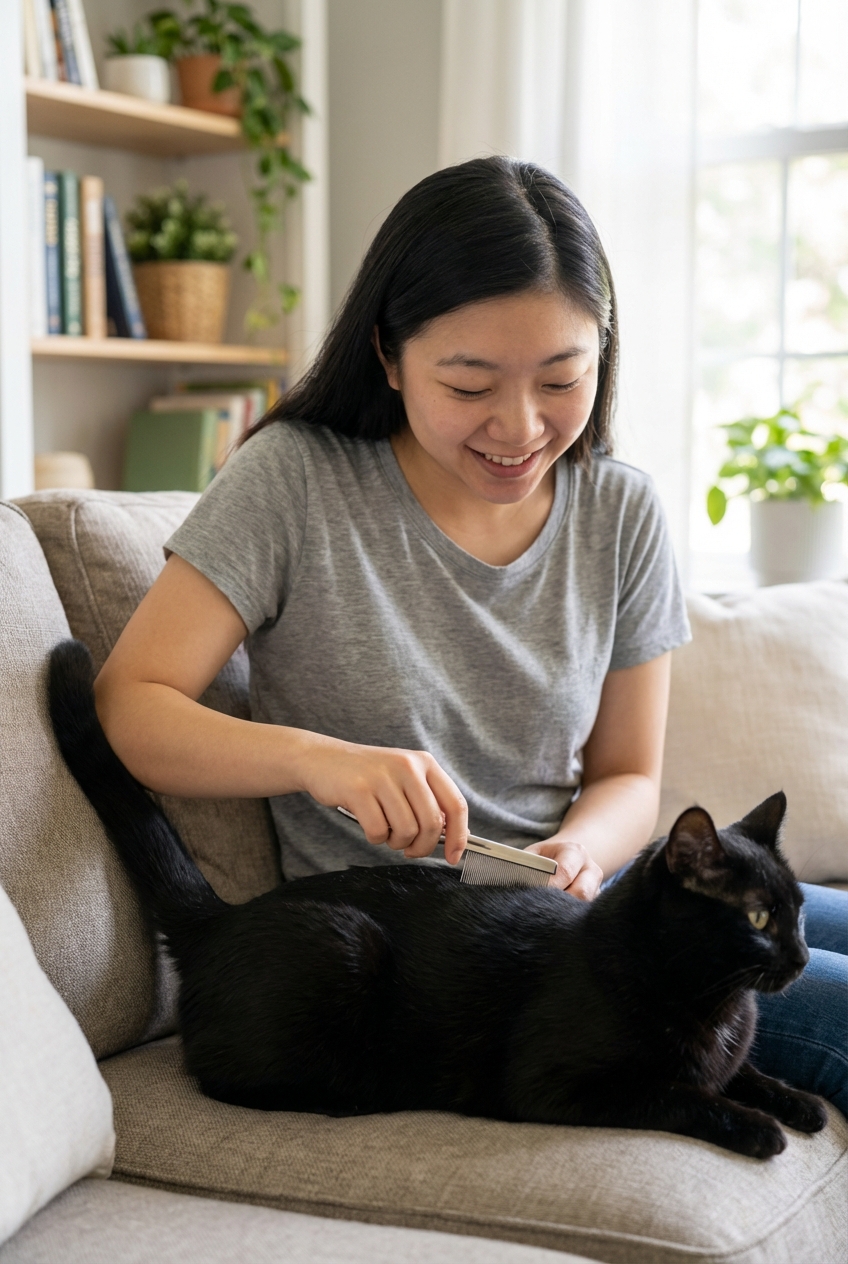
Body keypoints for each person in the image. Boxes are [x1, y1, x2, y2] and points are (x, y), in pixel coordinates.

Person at [95, 157, 846, 1116]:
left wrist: (581, 850)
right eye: (468, 384)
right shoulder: (295, 480)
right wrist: (319, 761)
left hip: (593, 910)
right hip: (456, 958)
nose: (520, 428)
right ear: (388, 354)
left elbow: (628, 773)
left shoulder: (621, 510)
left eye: (562, 379)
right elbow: (130, 704)